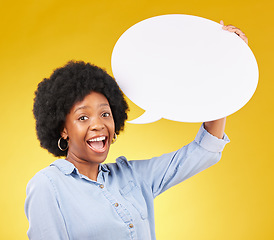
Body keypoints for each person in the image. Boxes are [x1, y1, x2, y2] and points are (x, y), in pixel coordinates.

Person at [24, 21, 247, 240]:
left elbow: (204, 151)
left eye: (105, 114)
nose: (98, 124)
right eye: (83, 117)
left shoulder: (132, 176)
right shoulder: (48, 185)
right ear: (63, 129)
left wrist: (227, 60)